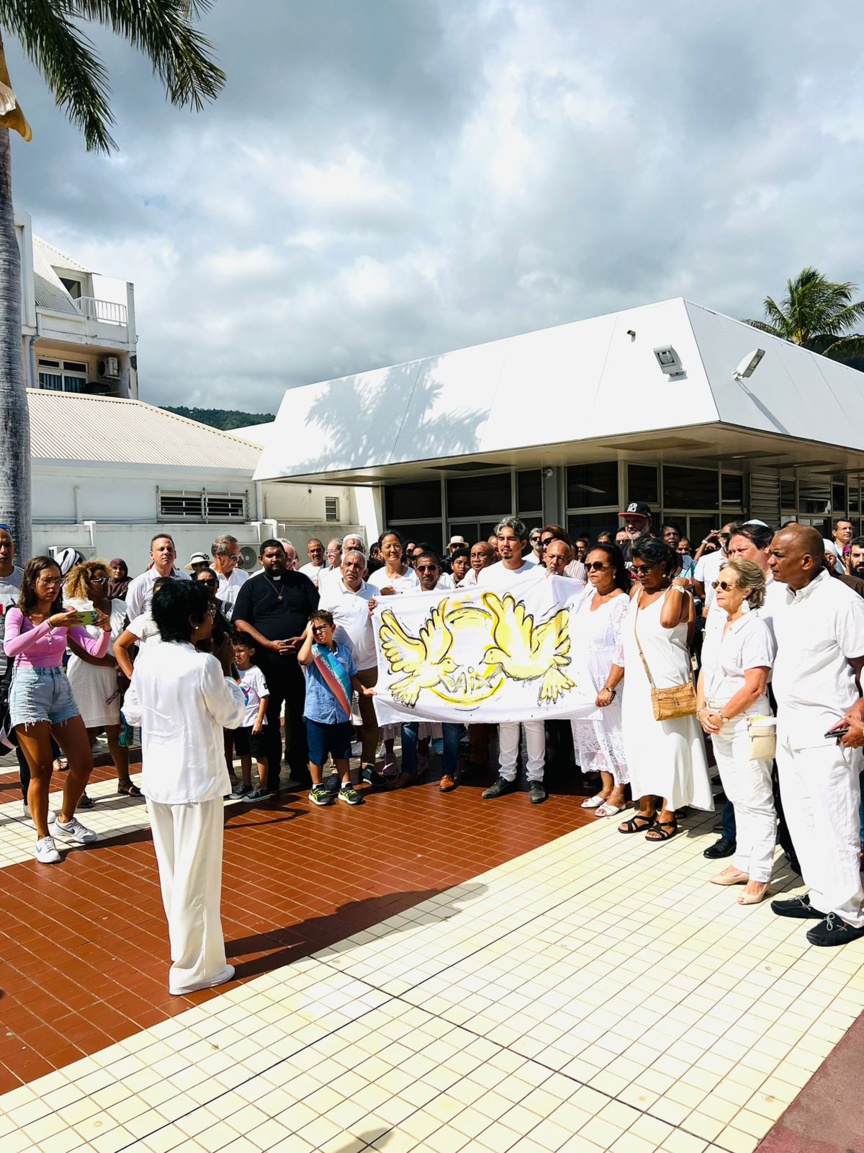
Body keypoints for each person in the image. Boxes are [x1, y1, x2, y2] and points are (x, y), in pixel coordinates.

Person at [123, 580, 245, 994]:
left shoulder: (147, 661)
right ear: (194, 620)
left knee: (175, 872)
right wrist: (229, 674)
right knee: (198, 876)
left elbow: (134, 712)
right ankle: (192, 968)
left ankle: (190, 949)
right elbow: (231, 716)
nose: (213, 617)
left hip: (158, 779)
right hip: (196, 780)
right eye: (207, 612)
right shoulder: (203, 665)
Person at [767, 526, 864, 946]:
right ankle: (823, 895)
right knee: (803, 818)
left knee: (835, 820)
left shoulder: (843, 601)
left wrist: (861, 716)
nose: (769, 561)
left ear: (807, 560)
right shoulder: (782, 596)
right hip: (790, 727)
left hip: (830, 731)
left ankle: (850, 912)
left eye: (777, 555)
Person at [4, 556, 111, 864]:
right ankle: (42, 836)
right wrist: (50, 623)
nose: (53, 587)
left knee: (83, 761)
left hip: (59, 686)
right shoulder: (18, 613)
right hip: (28, 688)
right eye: (46, 580)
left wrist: (103, 628)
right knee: (41, 769)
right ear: (32, 583)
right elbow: (11, 648)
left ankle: (65, 819)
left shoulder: (67, 614)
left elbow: (95, 651)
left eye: (57, 581)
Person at [618, 538, 712, 840]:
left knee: (670, 747)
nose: (639, 574)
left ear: (663, 566)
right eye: (635, 568)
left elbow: (667, 620)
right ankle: (645, 807)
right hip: (637, 683)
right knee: (640, 745)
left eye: (646, 568)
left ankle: (669, 812)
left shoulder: (677, 594)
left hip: (668, 682)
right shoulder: (635, 592)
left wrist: (679, 582)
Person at [696, 559, 777, 904]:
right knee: (735, 794)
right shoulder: (717, 624)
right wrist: (702, 709)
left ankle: (760, 871)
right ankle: (743, 861)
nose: (717, 590)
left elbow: (756, 685)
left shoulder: (756, 628)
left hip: (746, 722)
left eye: (726, 586)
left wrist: (723, 715)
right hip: (718, 720)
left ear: (748, 590)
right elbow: (704, 671)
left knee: (756, 797)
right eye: (716, 584)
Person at [233, 539, 318, 791]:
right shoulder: (251, 586)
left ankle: (298, 765)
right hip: (267, 664)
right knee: (269, 719)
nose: (275, 559)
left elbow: (316, 614)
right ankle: (270, 774)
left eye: (279, 555)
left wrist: (302, 637)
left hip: (299, 663)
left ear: (286, 557)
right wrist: (267, 643)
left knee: (298, 717)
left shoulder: (301, 582)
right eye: (269, 555)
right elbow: (240, 621)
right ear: (261, 559)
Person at [480, 517, 549, 805]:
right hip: (499, 656)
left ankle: (536, 778)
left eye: (511, 539)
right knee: (506, 719)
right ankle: (506, 775)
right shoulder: (487, 575)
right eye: (501, 539)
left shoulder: (539, 574)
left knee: (533, 719)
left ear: (522, 543)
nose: (505, 545)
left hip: (531, 655)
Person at [64, 558, 142, 797]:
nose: (105, 583)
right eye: (98, 579)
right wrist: (115, 663)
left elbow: (128, 640)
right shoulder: (75, 607)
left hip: (115, 676)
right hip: (84, 675)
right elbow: (77, 647)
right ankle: (81, 788)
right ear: (84, 582)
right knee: (86, 732)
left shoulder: (118, 605)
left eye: (106, 579)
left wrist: (124, 667)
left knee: (116, 729)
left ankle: (124, 780)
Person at [572, 545, 630, 818]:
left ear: (614, 570)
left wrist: (610, 686)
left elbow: (623, 649)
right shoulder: (585, 596)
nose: (592, 570)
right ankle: (606, 786)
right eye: (588, 565)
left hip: (608, 678)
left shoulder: (621, 602)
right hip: (583, 678)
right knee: (593, 734)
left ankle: (621, 790)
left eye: (599, 566)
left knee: (614, 733)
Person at [298, 610, 374, 807]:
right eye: (315, 629)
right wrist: (308, 634)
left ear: (333, 628)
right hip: (317, 712)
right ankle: (317, 787)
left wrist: (363, 690)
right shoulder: (313, 652)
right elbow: (302, 658)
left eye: (322, 627)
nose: (319, 632)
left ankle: (346, 786)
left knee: (343, 751)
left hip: (340, 712)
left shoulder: (345, 653)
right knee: (317, 753)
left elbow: (351, 676)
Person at [319, 549, 379, 782]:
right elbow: (321, 625)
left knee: (371, 721)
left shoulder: (373, 592)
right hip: (340, 667)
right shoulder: (330, 594)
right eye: (348, 564)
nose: (353, 569)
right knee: (340, 721)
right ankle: (337, 770)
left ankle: (369, 765)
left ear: (364, 569)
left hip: (370, 666)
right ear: (341, 568)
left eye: (358, 565)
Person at [227, 636, 271, 803]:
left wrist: (259, 721)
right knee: (244, 753)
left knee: (259, 754)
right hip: (240, 721)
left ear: (251, 652)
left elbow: (264, 696)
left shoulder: (256, 672)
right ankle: (246, 784)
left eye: (241, 651)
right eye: (234, 651)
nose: (237, 655)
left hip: (253, 721)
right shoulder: (232, 671)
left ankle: (263, 787)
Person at [126, 534, 190, 618]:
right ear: (151, 555)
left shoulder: (185, 579)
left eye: (170, 549)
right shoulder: (139, 583)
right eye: (161, 549)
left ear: (175, 554)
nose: (166, 552)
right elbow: (131, 616)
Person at [366, 530, 420, 597]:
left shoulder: (415, 576)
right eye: (388, 546)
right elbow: (368, 602)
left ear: (402, 549)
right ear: (380, 551)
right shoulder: (375, 578)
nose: (393, 550)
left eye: (396, 545)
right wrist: (379, 594)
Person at [210, 534, 249, 620]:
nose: (237, 560)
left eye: (238, 556)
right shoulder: (206, 578)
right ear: (218, 555)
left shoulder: (244, 575)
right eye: (233, 557)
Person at [618, 501, 653, 565]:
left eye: (636, 521)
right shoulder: (619, 551)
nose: (630, 526)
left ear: (649, 522)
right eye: (627, 521)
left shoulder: (659, 550)